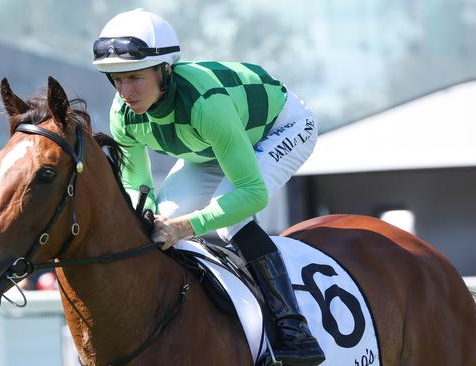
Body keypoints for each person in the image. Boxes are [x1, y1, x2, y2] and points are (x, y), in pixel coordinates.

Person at [92, 9, 324, 365]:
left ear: (164, 70)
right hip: (214, 146)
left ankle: (293, 330)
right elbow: (138, 186)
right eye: (116, 80)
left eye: (135, 78)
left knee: (229, 217)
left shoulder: (205, 105)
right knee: (159, 223)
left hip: (280, 128)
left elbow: (252, 193)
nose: (124, 92)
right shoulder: (122, 116)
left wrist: (187, 226)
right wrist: (157, 219)